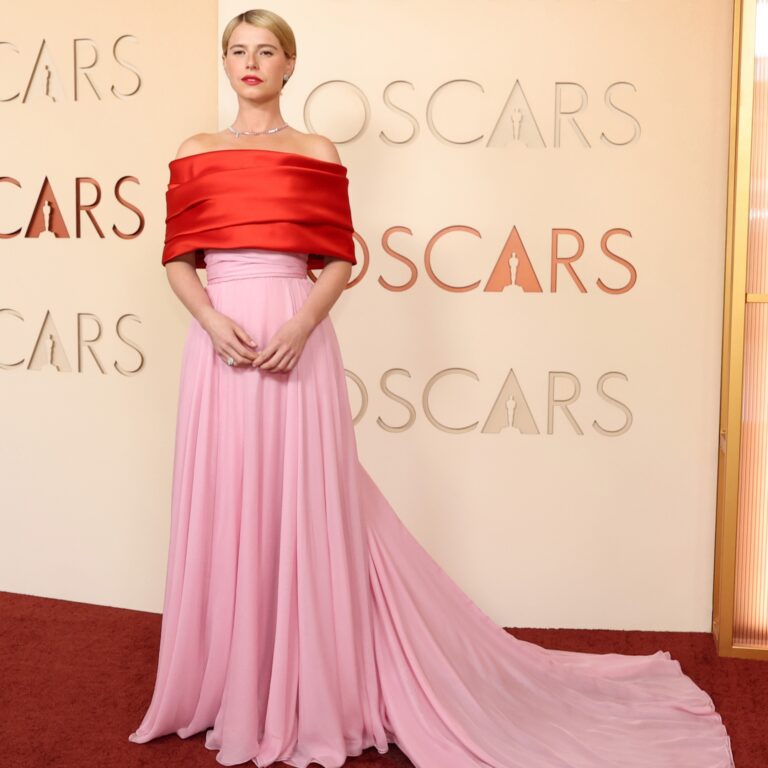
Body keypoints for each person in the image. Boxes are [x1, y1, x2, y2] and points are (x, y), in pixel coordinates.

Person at [128, 9, 735, 768]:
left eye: (268, 51)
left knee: (303, 498)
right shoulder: (195, 151)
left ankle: (306, 685)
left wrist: (303, 324)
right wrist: (211, 321)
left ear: (290, 65)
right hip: (218, 346)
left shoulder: (316, 151)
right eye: (239, 50)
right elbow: (178, 258)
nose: (251, 62)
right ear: (226, 64)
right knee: (228, 496)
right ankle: (231, 683)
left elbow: (339, 259)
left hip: (295, 338)